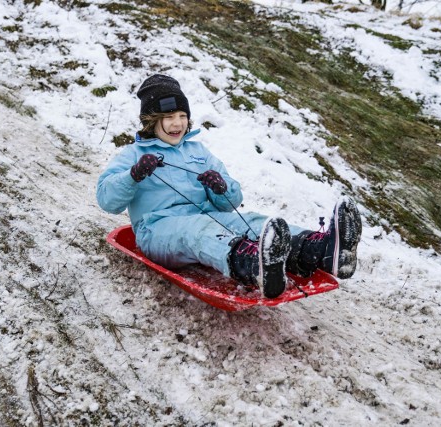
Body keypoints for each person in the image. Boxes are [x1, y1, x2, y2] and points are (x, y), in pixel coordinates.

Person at [96, 74, 362, 299]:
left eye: (181, 115)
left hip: (207, 218)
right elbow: (108, 200)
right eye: (168, 117)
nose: (177, 124)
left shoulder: (198, 152)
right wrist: (133, 175)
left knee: (250, 222)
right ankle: (254, 264)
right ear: (152, 121)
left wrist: (221, 187)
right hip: (158, 231)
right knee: (198, 230)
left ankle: (320, 249)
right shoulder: (133, 155)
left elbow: (231, 203)